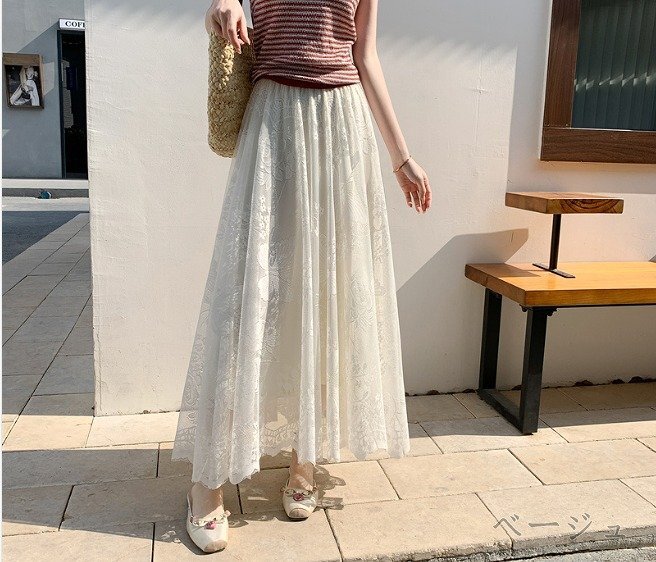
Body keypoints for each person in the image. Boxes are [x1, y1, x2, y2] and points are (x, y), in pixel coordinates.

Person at [171, 0, 432, 552]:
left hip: (341, 126)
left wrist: (401, 156)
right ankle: (206, 480)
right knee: (244, 296)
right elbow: (222, 7)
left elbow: (364, 56)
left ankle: (303, 460)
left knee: (323, 295)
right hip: (273, 120)